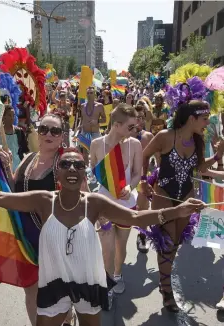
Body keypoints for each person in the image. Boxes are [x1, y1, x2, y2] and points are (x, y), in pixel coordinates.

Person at [0, 148, 205, 326]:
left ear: (84, 173)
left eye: (78, 165)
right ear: (57, 173)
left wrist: (177, 210)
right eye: (66, 164)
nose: (72, 168)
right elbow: (1, 198)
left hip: (87, 283)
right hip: (53, 283)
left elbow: (135, 218)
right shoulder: (42, 201)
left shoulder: (94, 203)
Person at [141, 100, 224, 312]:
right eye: (204, 119)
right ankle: (166, 289)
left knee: (175, 243)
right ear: (191, 119)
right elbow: (145, 154)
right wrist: (143, 180)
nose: (207, 123)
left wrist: (217, 156)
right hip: (164, 195)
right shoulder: (166, 136)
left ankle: (164, 279)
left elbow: (199, 168)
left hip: (186, 196)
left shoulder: (198, 140)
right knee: (167, 243)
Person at [0, 113, 78, 326]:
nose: (49, 134)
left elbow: (84, 201)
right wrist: (7, 167)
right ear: (37, 132)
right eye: (44, 129)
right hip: (26, 240)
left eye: (55, 131)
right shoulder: (27, 158)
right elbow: (13, 190)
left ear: (62, 137)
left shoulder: (66, 165)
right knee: (31, 290)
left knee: (58, 292)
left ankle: (67, 319)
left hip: (56, 241)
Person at [90, 104, 142, 303]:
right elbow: (94, 174)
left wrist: (130, 186)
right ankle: (108, 284)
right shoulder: (97, 145)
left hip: (127, 206)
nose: (134, 130)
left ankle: (118, 273)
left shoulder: (134, 144)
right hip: (103, 207)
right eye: (130, 127)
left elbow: (138, 173)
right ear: (117, 125)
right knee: (107, 248)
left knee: (121, 246)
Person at [133, 103, 154, 254]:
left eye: (141, 118)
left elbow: (159, 160)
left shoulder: (148, 137)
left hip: (142, 178)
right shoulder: (122, 135)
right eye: (136, 118)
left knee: (142, 209)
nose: (139, 121)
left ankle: (142, 235)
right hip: (124, 180)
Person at [0, 105, 29, 172]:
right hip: (3, 169)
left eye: (13, 115)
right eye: (9, 115)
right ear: (3, 117)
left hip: (18, 168)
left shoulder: (19, 132)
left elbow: (25, 150)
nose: (12, 118)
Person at [79, 87, 106, 163]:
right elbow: (82, 119)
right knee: (84, 154)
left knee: (97, 154)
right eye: (88, 93)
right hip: (85, 132)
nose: (89, 94)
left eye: (91, 93)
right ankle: (87, 171)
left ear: (94, 94)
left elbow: (105, 120)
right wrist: (79, 126)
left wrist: (97, 121)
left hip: (95, 133)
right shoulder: (82, 106)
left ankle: (96, 171)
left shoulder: (99, 106)